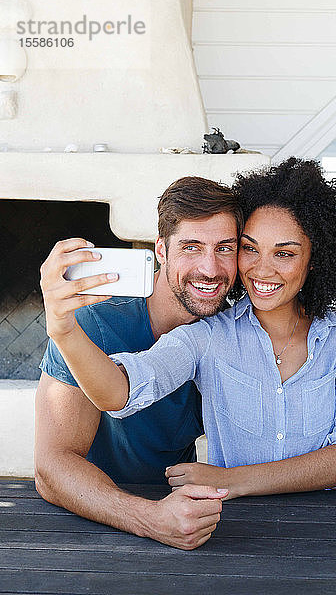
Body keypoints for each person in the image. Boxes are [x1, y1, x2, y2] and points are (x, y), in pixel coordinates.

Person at [42, 158, 336, 503]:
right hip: (211, 523)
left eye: (284, 253)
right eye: (249, 248)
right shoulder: (208, 335)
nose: (262, 269)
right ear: (161, 250)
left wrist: (233, 480)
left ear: (314, 258)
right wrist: (62, 328)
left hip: (322, 522)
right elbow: (120, 392)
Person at [36, 176, 242, 550]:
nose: (210, 269)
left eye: (224, 248)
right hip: (88, 516)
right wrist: (148, 518)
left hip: (184, 514)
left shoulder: (234, 335)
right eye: (191, 247)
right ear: (161, 250)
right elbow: (51, 467)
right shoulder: (92, 322)